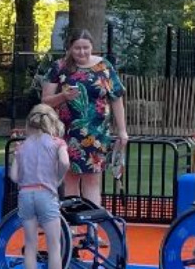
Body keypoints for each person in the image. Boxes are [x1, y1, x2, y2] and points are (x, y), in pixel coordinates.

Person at [38, 29, 128, 203]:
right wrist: (63, 96)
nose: (82, 52)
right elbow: (45, 101)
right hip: (68, 132)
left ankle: (91, 224)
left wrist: (123, 130)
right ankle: (73, 226)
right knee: (70, 178)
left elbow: (117, 98)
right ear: (70, 48)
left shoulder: (104, 66)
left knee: (92, 179)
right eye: (77, 48)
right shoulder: (59, 67)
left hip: (97, 133)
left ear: (92, 47)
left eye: (86, 48)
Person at [7, 105, 78, 269]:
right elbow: (65, 163)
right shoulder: (57, 143)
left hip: (25, 194)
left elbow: (13, 176)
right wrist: (57, 178)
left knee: (30, 245)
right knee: (54, 245)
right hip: (46, 194)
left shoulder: (22, 147)